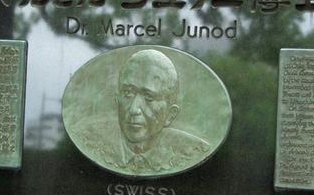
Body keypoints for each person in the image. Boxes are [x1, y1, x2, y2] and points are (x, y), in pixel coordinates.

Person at [72, 49, 210, 176]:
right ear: (117, 102)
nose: (134, 110)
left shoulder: (194, 152)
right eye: (128, 93)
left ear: (170, 115)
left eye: (149, 97)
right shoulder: (85, 140)